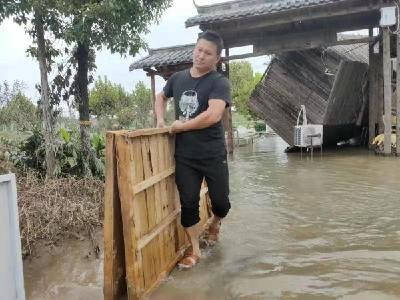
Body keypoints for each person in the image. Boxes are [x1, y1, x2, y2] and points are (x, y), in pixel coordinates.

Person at [155, 30, 231, 269]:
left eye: (208, 53)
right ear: (194, 49)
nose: (201, 56)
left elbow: (213, 114)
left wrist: (182, 125)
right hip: (185, 155)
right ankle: (195, 250)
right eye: (199, 50)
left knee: (221, 202)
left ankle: (216, 221)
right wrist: (160, 121)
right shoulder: (177, 79)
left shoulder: (219, 82)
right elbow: (161, 97)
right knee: (188, 204)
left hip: (212, 152)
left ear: (216, 58)